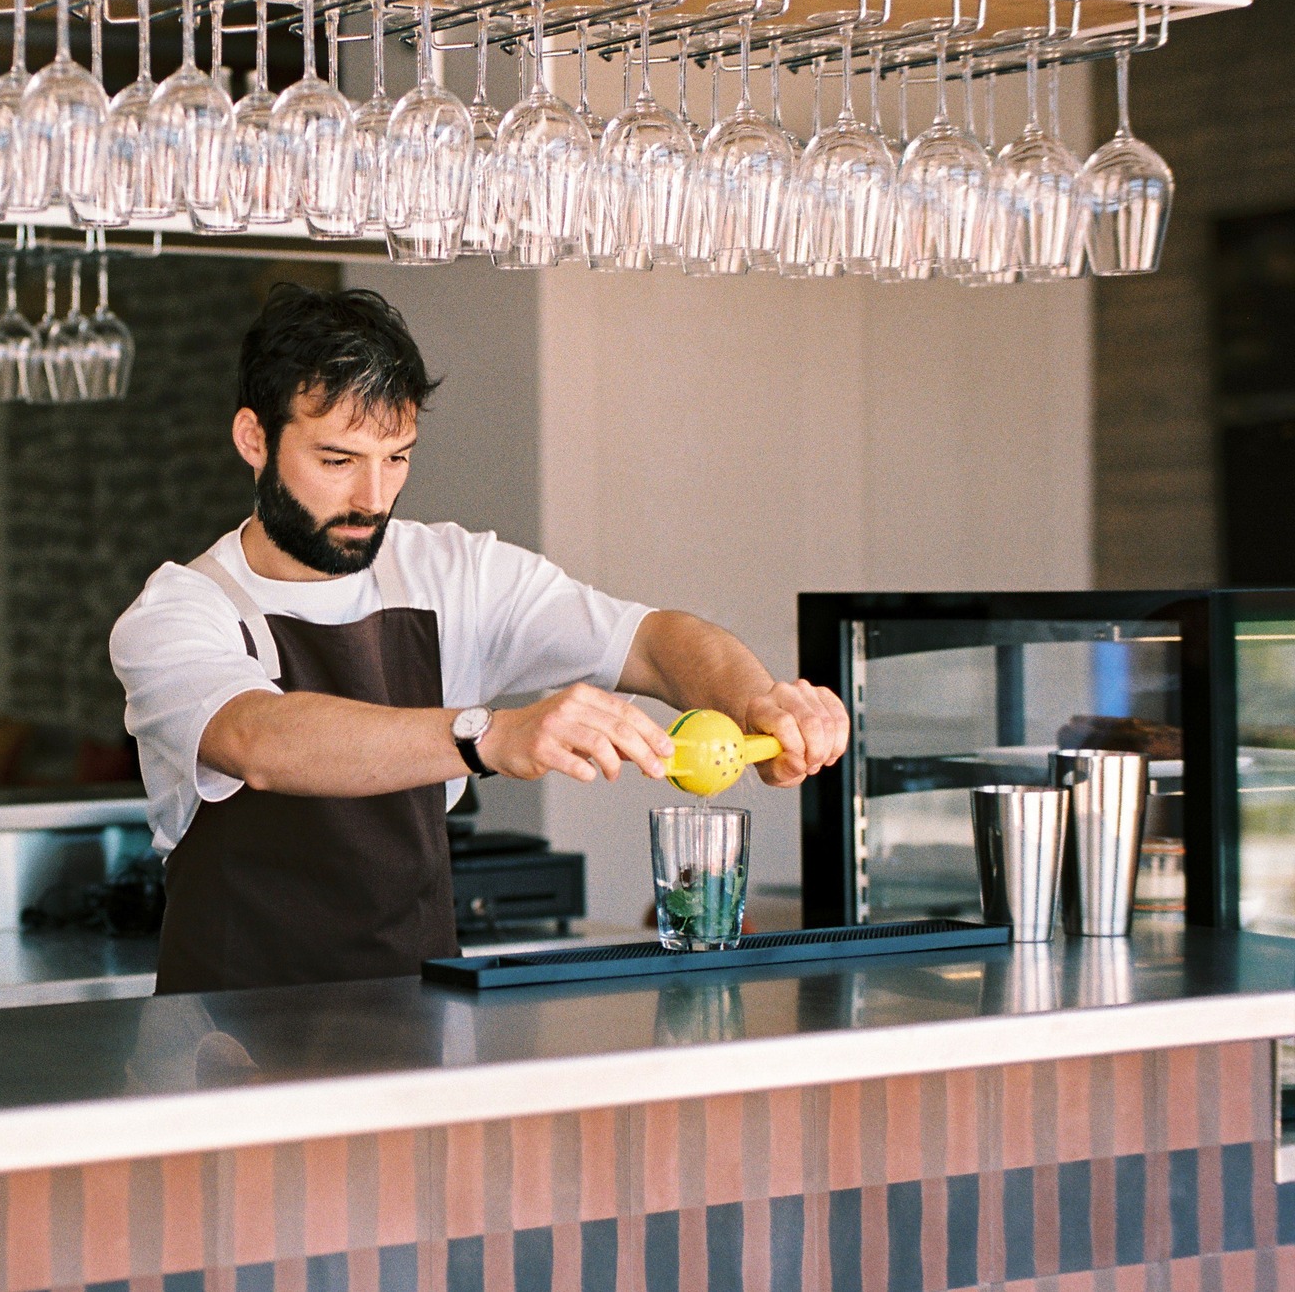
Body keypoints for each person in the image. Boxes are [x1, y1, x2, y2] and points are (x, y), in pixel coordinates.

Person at [109, 284, 849, 994]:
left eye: (396, 458)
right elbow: (257, 740)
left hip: (417, 1034)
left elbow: (656, 640)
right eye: (337, 461)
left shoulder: (453, 571)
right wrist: (485, 735)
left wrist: (758, 704)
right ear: (253, 439)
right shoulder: (180, 609)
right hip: (230, 1051)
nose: (374, 498)